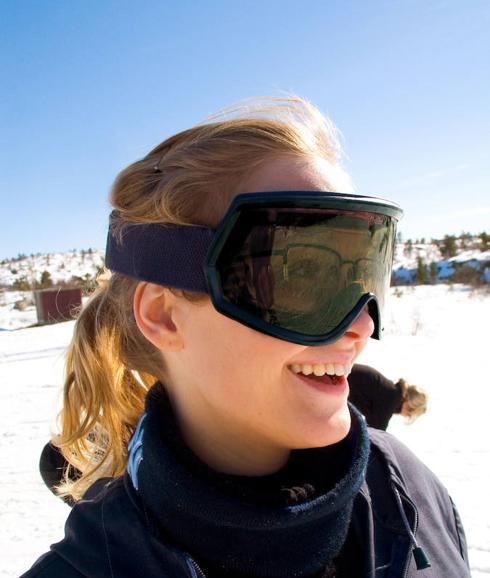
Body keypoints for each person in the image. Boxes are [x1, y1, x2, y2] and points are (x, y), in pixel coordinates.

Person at [22, 97, 470, 578]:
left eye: (364, 273)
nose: (361, 326)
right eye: (301, 276)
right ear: (164, 316)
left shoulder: (409, 489)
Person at [348, 364, 428, 430]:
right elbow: (376, 433)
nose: (406, 415)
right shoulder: (390, 400)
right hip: (343, 381)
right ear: (409, 405)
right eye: (409, 413)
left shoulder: (390, 391)